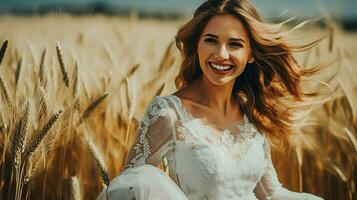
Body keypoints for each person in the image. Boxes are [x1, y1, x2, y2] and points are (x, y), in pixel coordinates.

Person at [97, 0, 325, 199]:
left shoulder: (250, 113)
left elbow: (272, 194)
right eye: (211, 40)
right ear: (197, 45)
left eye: (234, 44)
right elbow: (129, 189)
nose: (221, 54)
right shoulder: (168, 113)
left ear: (251, 53)